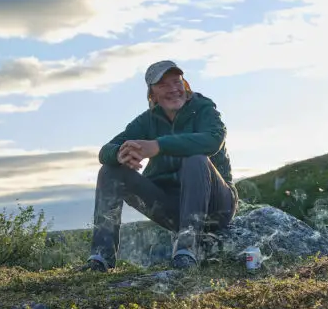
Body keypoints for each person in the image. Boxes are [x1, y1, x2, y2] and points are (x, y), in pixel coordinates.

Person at [83, 60, 237, 271]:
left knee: (195, 158)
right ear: (152, 95)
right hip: (171, 209)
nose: (173, 89)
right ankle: (101, 258)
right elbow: (104, 151)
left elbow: (213, 140)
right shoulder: (147, 121)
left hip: (216, 206)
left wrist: (158, 145)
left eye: (177, 82)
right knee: (110, 171)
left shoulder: (204, 109)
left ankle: (186, 251)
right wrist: (119, 154)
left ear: (186, 85)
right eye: (163, 85)